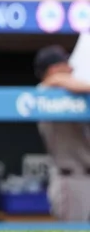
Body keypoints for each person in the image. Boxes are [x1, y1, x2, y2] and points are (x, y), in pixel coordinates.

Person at [34, 45, 90, 221]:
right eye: (66, 64)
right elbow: (51, 82)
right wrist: (58, 77)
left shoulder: (74, 96)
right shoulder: (45, 93)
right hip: (70, 178)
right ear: (54, 69)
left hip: (85, 175)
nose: (71, 68)